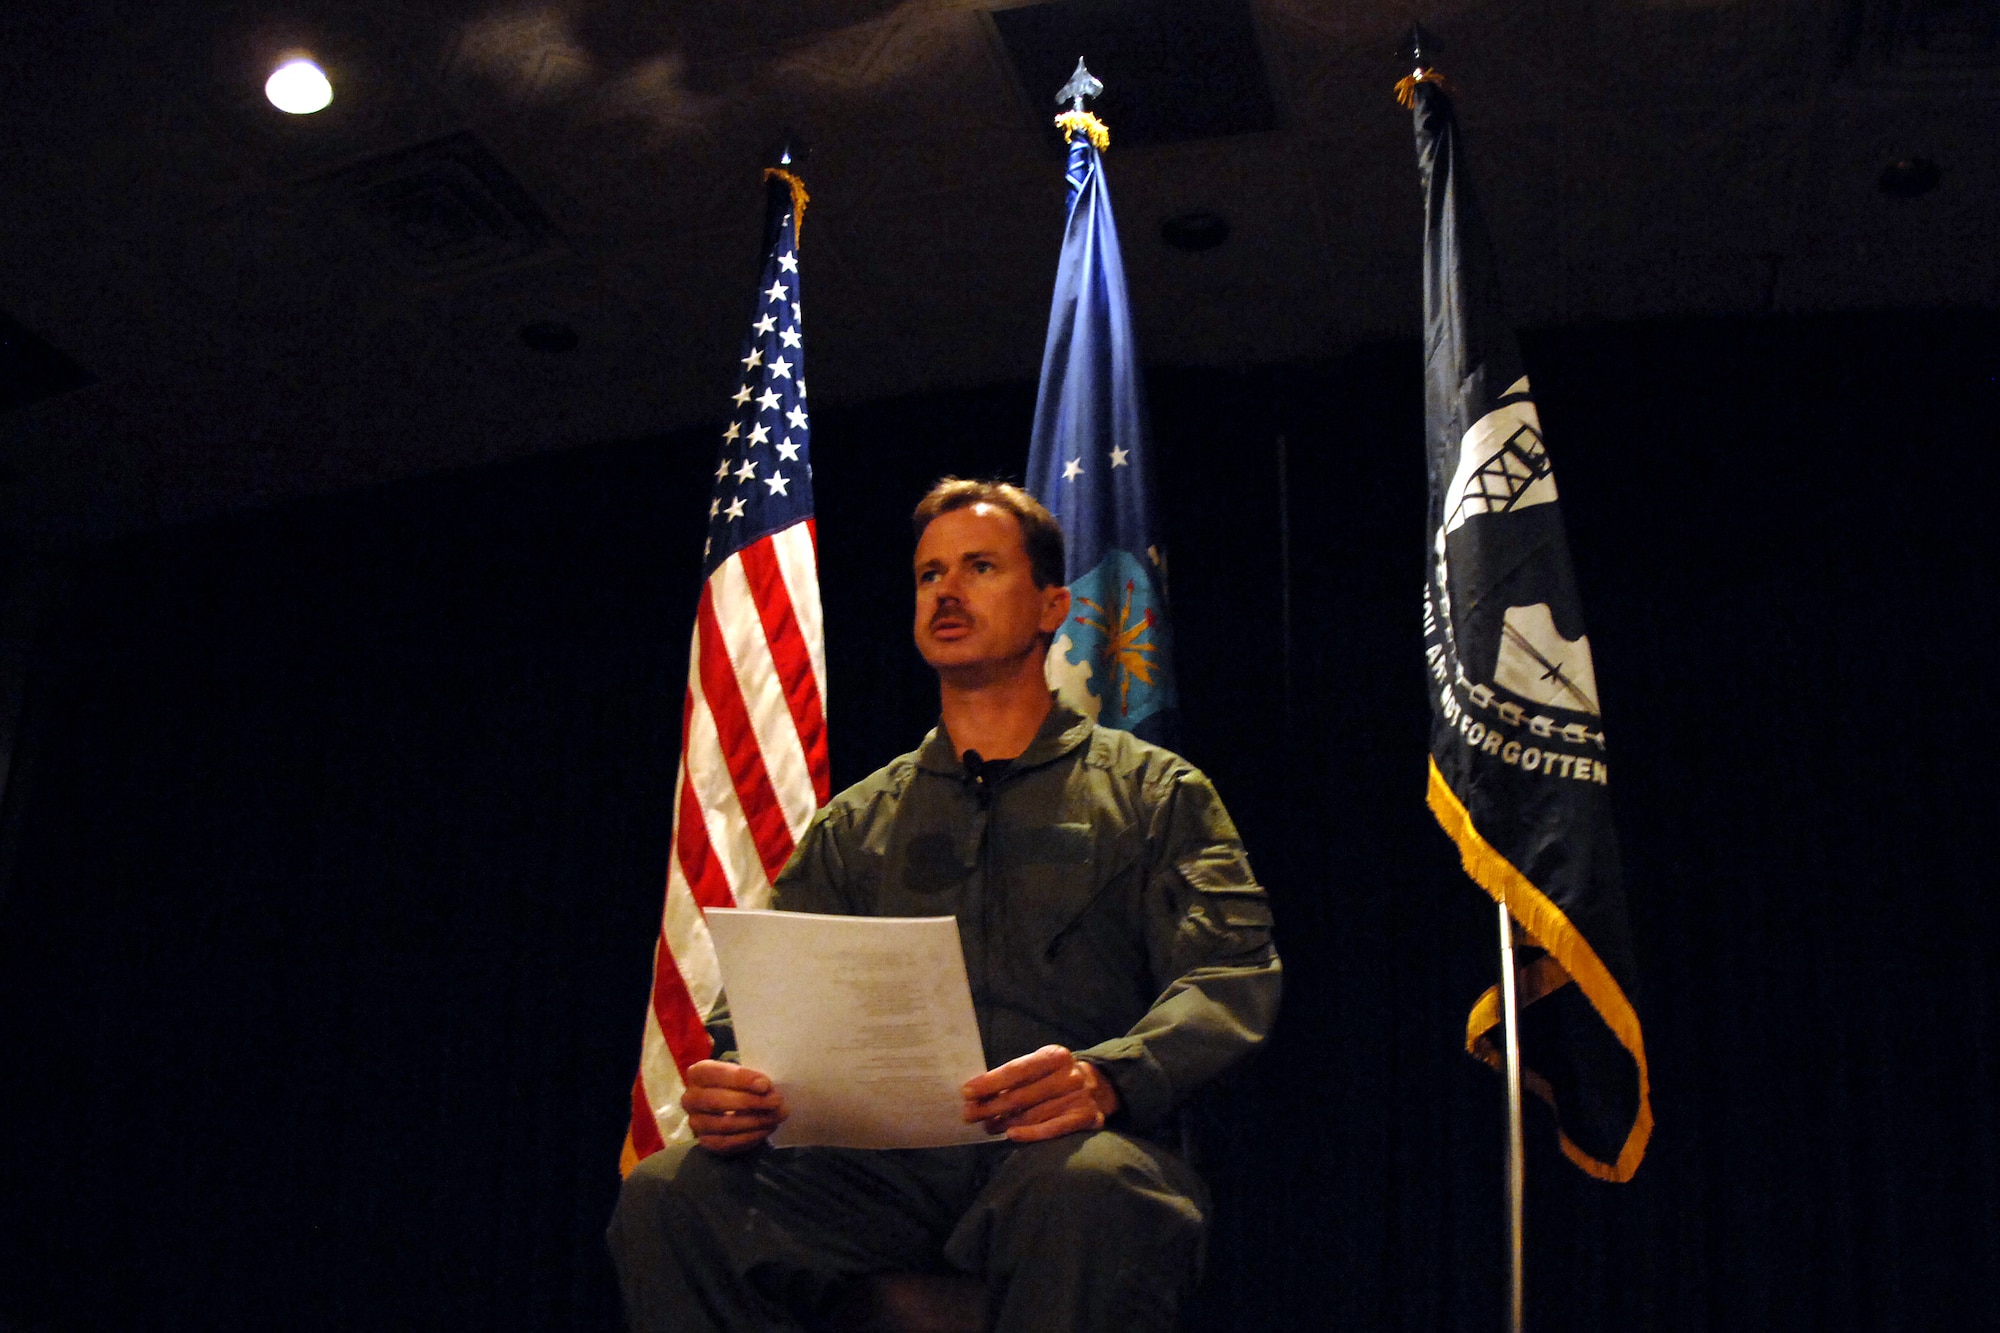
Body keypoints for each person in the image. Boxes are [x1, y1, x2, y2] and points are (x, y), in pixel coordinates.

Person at [607, 479, 1281, 1332]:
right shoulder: (859, 823)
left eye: (979, 567)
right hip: (880, 1173)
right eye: (930, 574)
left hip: (1066, 1146)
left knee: (1091, 1189)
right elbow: (763, 999)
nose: (947, 591)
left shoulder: (1154, 793)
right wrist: (735, 1076)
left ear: (1053, 606)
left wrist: (1111, 1074)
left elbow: (1229, 975)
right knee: (670, 1196)